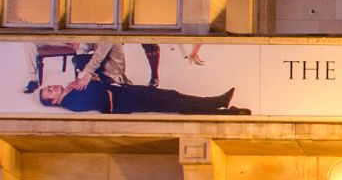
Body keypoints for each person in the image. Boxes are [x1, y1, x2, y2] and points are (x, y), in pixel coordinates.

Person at [39, 81, 249, 115]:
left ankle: (217, 102)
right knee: (175, 104)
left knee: (173, 96)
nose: (52, 87)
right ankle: (222, 110)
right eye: (50, 91)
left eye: (49, 87)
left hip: (125, 93)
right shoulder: (72, 101)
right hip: (126, 100)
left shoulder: (73, 90)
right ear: (54, 101)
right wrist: (86, 83)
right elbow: (100, 97)